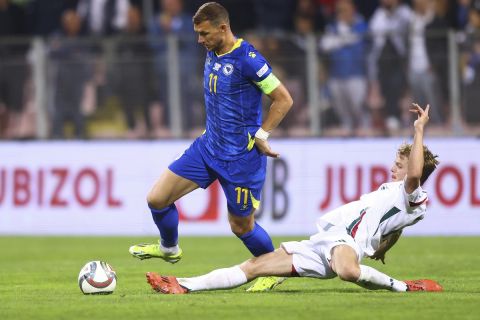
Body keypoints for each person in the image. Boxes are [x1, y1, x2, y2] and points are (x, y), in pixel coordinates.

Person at [145, 103, 443, 295]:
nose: (394, 168)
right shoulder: (397, 198)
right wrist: (382, 246)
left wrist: (419, 131)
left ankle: (406, 288)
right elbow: (394, 226)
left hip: (345, 243)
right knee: (254, 267)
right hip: (322, 243)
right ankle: (184, 285)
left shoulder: (413, 193)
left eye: (399, 165)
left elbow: (415, 175)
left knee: (349, 271)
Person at [129, 2, 293, 291]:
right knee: (156, 199)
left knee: (241, 226)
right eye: (197, 34)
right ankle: (169, 248)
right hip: (207, 147)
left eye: (204, 34)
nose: (199, 40)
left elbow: (284, 99)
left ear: (223, 28)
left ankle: (272, 268)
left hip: (241, 159)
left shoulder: (248, 59)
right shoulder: (212, 51)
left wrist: (263, 134)